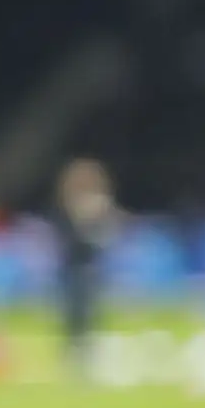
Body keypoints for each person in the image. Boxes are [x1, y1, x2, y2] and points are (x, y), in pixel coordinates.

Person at [53, 156, 124, 382]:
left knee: (90, 314)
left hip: (90, 271)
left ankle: (87, 354)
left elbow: (105, 239)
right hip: (72, 271)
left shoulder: (100, 210)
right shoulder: (66, 211)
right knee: (73, 315)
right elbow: (68, 241)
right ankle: (73, 355)